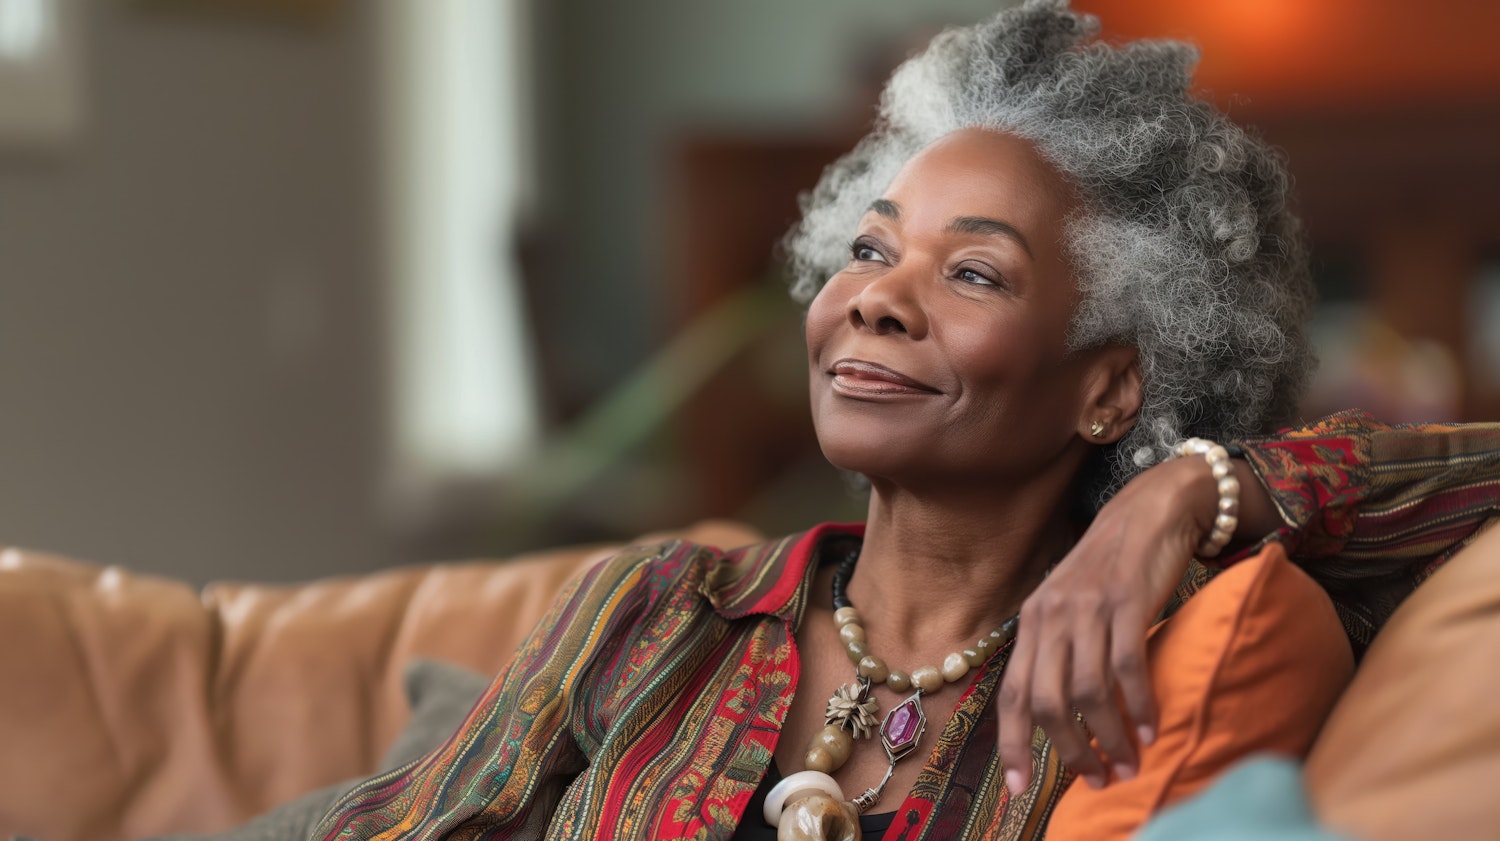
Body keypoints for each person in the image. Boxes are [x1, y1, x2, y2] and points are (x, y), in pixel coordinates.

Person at [311, 2, 1500, 839]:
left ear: (1109, 388)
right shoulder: (657, 609)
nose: (875, 298)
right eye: (872, 250)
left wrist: (1189, 492)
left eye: (974, 273)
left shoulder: (1146, 656)